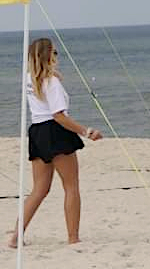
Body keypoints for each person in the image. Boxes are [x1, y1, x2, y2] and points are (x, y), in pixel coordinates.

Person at [8, 38, 103, 248]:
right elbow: (59, 116)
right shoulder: (51, 82)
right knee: (71, 186)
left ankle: (16, 236)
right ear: (48, 55)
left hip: (38, 132)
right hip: (55, 131)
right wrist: (86, 131)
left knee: (39, 189)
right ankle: (73, 237)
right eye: (55, 53)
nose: (57, 57)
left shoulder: (29, 79)